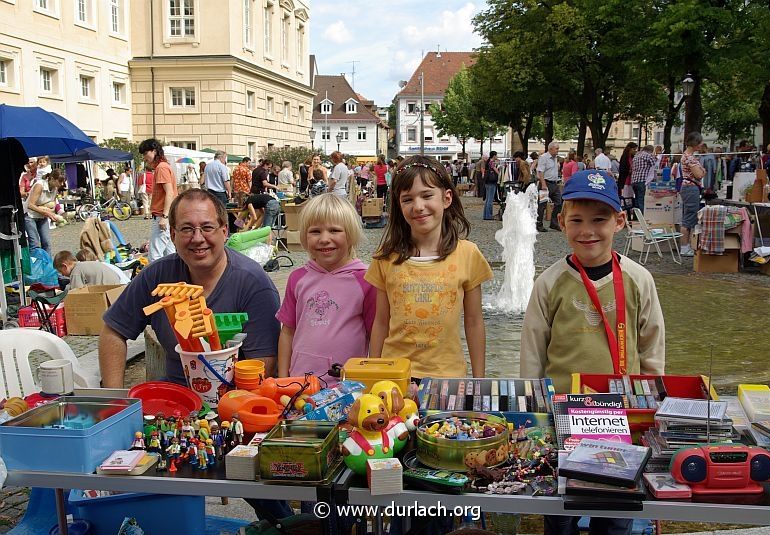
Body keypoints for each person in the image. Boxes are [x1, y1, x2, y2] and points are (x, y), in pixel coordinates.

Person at [99, 188, 291, 521]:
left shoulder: (252, 282)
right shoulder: (159, 275)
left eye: (207, 228)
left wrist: (230, 415)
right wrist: (116, 400)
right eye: (186, 229)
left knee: (253, 482)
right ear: (172, 234)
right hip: (173, 403)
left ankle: (284, 523)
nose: (197, 238)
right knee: (139, 467)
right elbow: (113, 331)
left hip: (236, 404)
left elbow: (265, 366)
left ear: (225, 231)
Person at [519, 169, 665, 535]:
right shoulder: (550, 281)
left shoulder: (638, 279)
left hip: (620, 416)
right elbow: (533, 351)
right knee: (561, 507)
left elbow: (651, 346)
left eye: (599, 220)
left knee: (615, 508)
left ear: (620, 221)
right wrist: (534, 409)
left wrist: (651, 406)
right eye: (577, 220)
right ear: (561, 222)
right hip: (562, 414)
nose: (588, 231)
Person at [366, 155, 492, 379]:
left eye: (426, 195)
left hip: (447, 376)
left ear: (446, 198)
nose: (418, 206)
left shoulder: (468, 254)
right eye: (407, 199)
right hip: (393, 376)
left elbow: (473, 322)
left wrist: (479, 379)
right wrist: (373, 373)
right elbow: (381, 322)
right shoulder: (385, 257)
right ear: (398, 205)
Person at [276, 194, 376, 378]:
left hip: (346, 386)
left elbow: (376, 334)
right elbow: (287, 332)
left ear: (351, 234)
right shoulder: (298, 278)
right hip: (299, 381)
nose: (324, 238)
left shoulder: (366, 280)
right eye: (315, 231)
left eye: (334, 230)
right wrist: (283, 379)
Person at [138, 139, 177, 262]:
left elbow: (169, 192)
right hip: (167, 214)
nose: (144, 158)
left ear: (154, 151)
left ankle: (155, 280)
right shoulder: (164, 166)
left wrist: (164, 217)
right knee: (170, 254)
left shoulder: (161, 168)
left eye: (145, 154)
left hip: (162, 214)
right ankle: (172, 279)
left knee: (154, 255)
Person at [25, 169, 66, 255]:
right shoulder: (40, 186)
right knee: (34, 244)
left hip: (42, 217)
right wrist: (47, 212)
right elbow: (30, 205)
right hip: (30, 216)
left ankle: (48, 266)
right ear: (52, 179)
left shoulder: (55, 189)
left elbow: (53, 204)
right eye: (60, 181)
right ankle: (35, 266)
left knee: (46, 243)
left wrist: (54, 213)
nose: (61, 184)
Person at [678, 132, 706, 257]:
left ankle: (686, 246)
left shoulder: (687, 156)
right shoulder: (689, 157)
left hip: (689, 188)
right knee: (689, 217)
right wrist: (702, 171)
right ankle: (684, 247)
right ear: (695, 143)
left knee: (688, 216)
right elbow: (699, 174)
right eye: (699, 142)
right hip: (691, 188)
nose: (701, 145)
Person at [53, 250, 121, 289]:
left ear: (65, 266)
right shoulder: (84, 265)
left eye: (61, 271)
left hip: (108, 288)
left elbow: (76, 291)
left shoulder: (76, 271)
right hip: (116, 284)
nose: (62, 274)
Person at [537, 141, 562, 232]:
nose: (558, 150)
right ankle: (539, 224)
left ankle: (554, 223)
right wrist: (543, 184)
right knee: (542, 205)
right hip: (546, 183)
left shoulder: (555, 158)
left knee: (559, 203)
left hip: (554, 184)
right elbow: (540, 171)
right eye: (557, 149)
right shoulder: (544, 157)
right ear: (550, 149)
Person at [631, 145, 657, 213]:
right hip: (643, 180)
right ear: (650, 151)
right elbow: (655, 166)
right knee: (642, 199)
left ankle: (636, 216)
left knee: (636, 199)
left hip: (634, 180)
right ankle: (643, 217)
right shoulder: (648, 156)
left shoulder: (636, 156)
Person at [483, 151, 499, 220]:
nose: (497, 156)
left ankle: (486, 215)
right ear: (494, 156)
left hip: (487, 182)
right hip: (491, 182)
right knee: (490, 199)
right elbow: (496, 171)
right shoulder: (491, 163)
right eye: (496, 155)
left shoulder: (488, 162)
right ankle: (489, 215)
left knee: (487, 199)